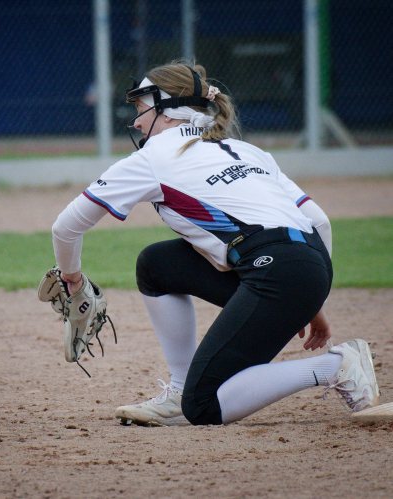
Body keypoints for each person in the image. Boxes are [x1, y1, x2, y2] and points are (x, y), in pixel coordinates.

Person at [50, 61, 380, 426]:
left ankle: (334, 366)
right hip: (303, 265)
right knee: (156, 265)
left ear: (168, 112)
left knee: (204, 405)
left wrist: (72, 278)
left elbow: (65, 228)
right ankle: (179, 392)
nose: (138, 122)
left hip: (276, 270)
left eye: (142, 110)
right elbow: (319, 222)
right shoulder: (246, 150)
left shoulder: (153, 158)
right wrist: (313, 302)